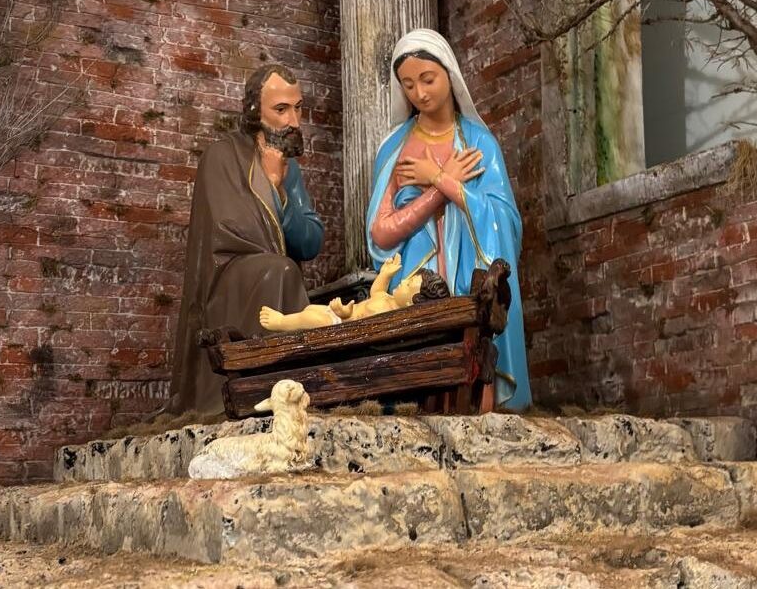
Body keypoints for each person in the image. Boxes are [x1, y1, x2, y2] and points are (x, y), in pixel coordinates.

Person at [365, 29, 531, 411]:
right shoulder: (395, 148)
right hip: (416, 285)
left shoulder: (479, 143)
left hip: (469, 281)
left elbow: (504, 222)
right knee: (421, 387)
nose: (419, 93)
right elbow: (381, 233)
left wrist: (439, 178)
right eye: (408, 84)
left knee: (473, 362)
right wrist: (440, 190)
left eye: (428, 79)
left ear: (449, 75)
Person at [165, 64, 324, 415]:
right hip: (227, 279)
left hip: (275, 272)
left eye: (298, 108)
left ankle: (288, 389)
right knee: (279, 271)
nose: (293, 121)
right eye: (281, 109)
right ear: (255, 111)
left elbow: (310, 242)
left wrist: (279, 191)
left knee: (281, 271)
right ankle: (254, 390)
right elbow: (227, 230)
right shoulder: (221, 157)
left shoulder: (290, 169)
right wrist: (268, 183)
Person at [258, 254, 449, 332]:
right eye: (408, 279)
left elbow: (361, 326)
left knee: (311, 319)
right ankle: (288, 323)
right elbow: (377, 291)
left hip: (343, 326)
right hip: (340, 316)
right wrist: (385, 274)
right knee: (310, 309)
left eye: (408, 285)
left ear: (411, 304)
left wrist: (345, 314)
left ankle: (280, 322)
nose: (404, 281)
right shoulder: (388, 299)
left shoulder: (387, 315)